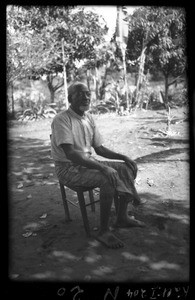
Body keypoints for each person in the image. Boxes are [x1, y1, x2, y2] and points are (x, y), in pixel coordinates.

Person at [51, 81, 145, 249]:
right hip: (67, 168)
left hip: (87, 163)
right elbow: (71, 154)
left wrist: (124, 157)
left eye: (87, 94)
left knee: (126, 168)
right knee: (107, 178)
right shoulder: (62, 119)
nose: (86, 97)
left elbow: (99, 149)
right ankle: (103, 231)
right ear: (70, 98)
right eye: (80, 94)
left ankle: (121, 218)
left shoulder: (88, 118)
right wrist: (102, 167)